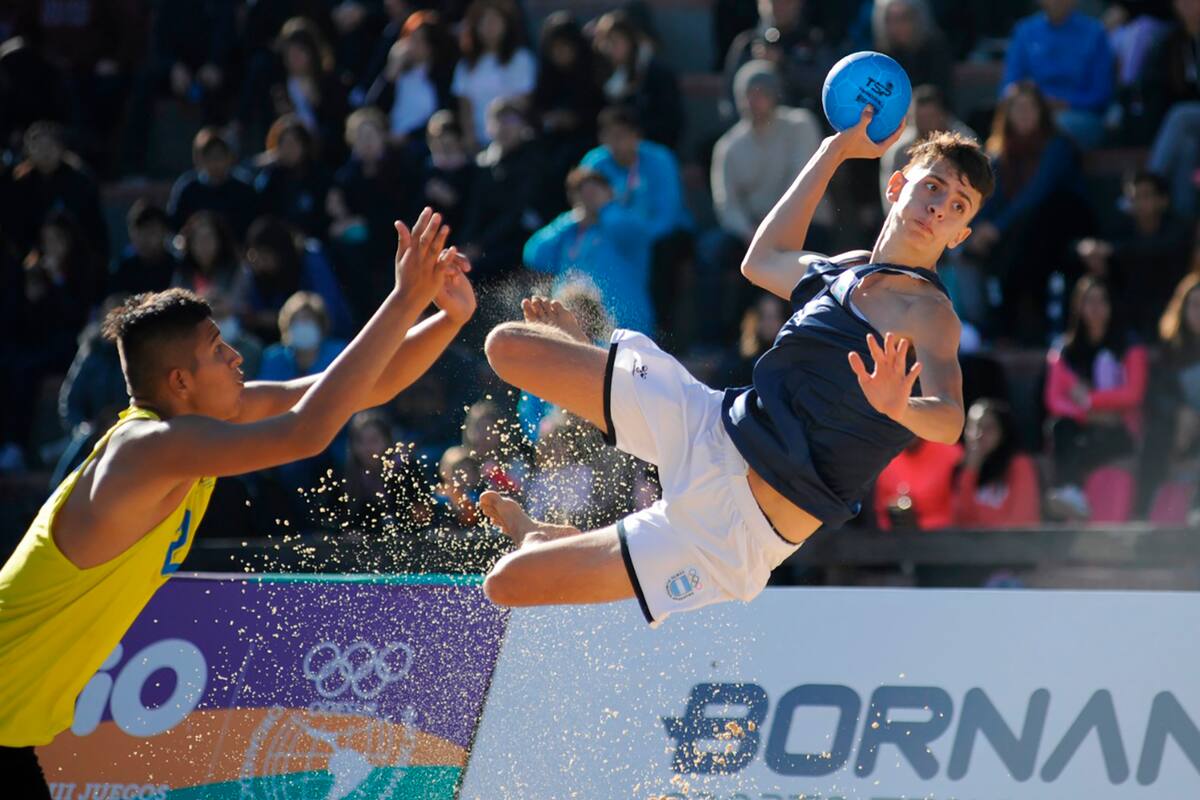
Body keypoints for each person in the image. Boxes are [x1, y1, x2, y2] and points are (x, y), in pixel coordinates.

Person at [0, 209, 475, 794]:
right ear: (179, 382)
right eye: (217, 348)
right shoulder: (147, 447)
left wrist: (448, 317)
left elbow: (353, 389)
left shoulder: (193, 423)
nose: (237, 358)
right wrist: (404, 298)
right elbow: (307, 432)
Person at [476, 109, 994, 625]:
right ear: (897, 185)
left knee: (508, 584)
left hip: (739, 529)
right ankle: (591, 360)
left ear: (960, 235)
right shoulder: (844, 267)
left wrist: (900, 405)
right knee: (508, 346)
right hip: (712, 425)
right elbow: (761, 260)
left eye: (957, 205)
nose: (938, 208)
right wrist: (833, 149)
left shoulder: (931, 313)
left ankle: (554, 539)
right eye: (933, 187)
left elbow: (949, 420)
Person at [708, 60, 828, 338]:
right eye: (747, 93)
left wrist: (775, 230)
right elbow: (726, 203)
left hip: (805, 222)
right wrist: (750, 232)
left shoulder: (801, 125)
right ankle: (719, 340)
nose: (754, 100)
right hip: (750, 231)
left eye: (761, 91)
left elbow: (804, 183)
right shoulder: (728, 146)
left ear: (775, 93)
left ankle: (815, 334)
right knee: (712, 253)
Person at [1044, 276, 1148, 519]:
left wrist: (1091, 400)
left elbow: (1133, 394)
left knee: (1081, 446)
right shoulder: (1064, 350)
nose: (1095, 307)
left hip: (1119, 432)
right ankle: (1070, 493)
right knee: (1060, 428)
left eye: (1102, 301)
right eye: (1089, 301)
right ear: (1078, 306)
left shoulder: (1130, 346)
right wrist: (1088, 414)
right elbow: (1054, 399)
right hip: (1084, 428)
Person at [523, 167, 654, 333]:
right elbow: (534, 254)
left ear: (610, 193)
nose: (589, 198)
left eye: (595, 192)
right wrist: (569, 220)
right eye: (581, 193)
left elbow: (631, 233)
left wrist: (605, 209)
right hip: (573, 325)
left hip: (622, 328)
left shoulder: (626, 223)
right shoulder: (568, 231)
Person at [1074, 171, 1191, 336]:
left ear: (1163, 201)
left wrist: (1113, 251)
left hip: (1173, 311)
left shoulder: (1178, 229)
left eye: (1146, 196)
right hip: (1130, 314)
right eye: (1134, 198)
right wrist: (1090, 251)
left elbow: (1156, 248)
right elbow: (1093, 247)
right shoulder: (1121, 229)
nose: (1139, 203)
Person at [1001, 0, 1115, 148]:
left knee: (1056, 129)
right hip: (1032, 111)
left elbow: (1101, 95)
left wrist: (1064, 103)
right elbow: (1010, 85)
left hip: (1079, 116)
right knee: (1020, 123)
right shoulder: (1025, 31)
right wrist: (1032, 102)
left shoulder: (1094, 33)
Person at [591, 10, 683, 151]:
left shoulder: (657, 75)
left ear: (631, 41)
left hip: (651, 149)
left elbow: (671, 122)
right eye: (606, 41)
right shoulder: (601, 74)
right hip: (613, 152)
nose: (610, 48)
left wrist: (633, 138)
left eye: (616, 41)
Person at [452, 0, 537, 150]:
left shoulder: (521, 59)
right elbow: (465, 108)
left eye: (494, 21)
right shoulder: (466, 65)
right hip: (479, 144)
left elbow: (523, 102)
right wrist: (470, 139)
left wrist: (505, 133)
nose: (489, 27)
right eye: (484, 22)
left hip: (512, 145)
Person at [953, 399, 1041, 527]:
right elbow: (959, 520)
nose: (979, 435)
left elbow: (1023, 518)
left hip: (1012, 544)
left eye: (988, 428)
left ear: (1002, 432)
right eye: (974, 427)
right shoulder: (959, 468)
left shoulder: (1019, 464)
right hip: (973, 545)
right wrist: (971, 470)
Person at [166, 127, 259, 241]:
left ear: (229, 158)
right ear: (202, 160)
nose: (215, 163)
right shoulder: (189, 189)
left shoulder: (243, 191)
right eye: (210, 157)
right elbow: (174, 226)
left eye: (219, 156)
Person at [872, 0, 955, 101]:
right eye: (892, 20)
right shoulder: (880, 56)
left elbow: (941, 90)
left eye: (905, 18)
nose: (899, 26)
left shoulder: (936, 48)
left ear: (918, 18)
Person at [109, 201, 179, 296]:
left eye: (151, 232)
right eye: (139, 233)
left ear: (164, 231)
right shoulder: (123, 270)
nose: (144, 239)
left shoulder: (177, 269)